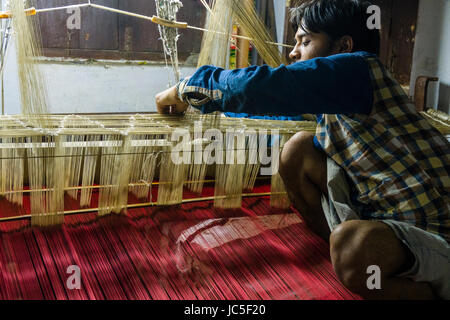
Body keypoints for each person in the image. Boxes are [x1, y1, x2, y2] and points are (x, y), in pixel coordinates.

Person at [155, 0, 450, 300]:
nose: (294, 52)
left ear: (344, 46)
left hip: (433, 237)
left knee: (355, 246)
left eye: (305, 41)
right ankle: (343, 253)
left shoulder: (360, 71)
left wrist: (186, 89)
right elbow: (270, 102)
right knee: (297, 150)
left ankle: (412, 287)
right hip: (382, 218)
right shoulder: (335, 99)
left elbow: (265, 87)